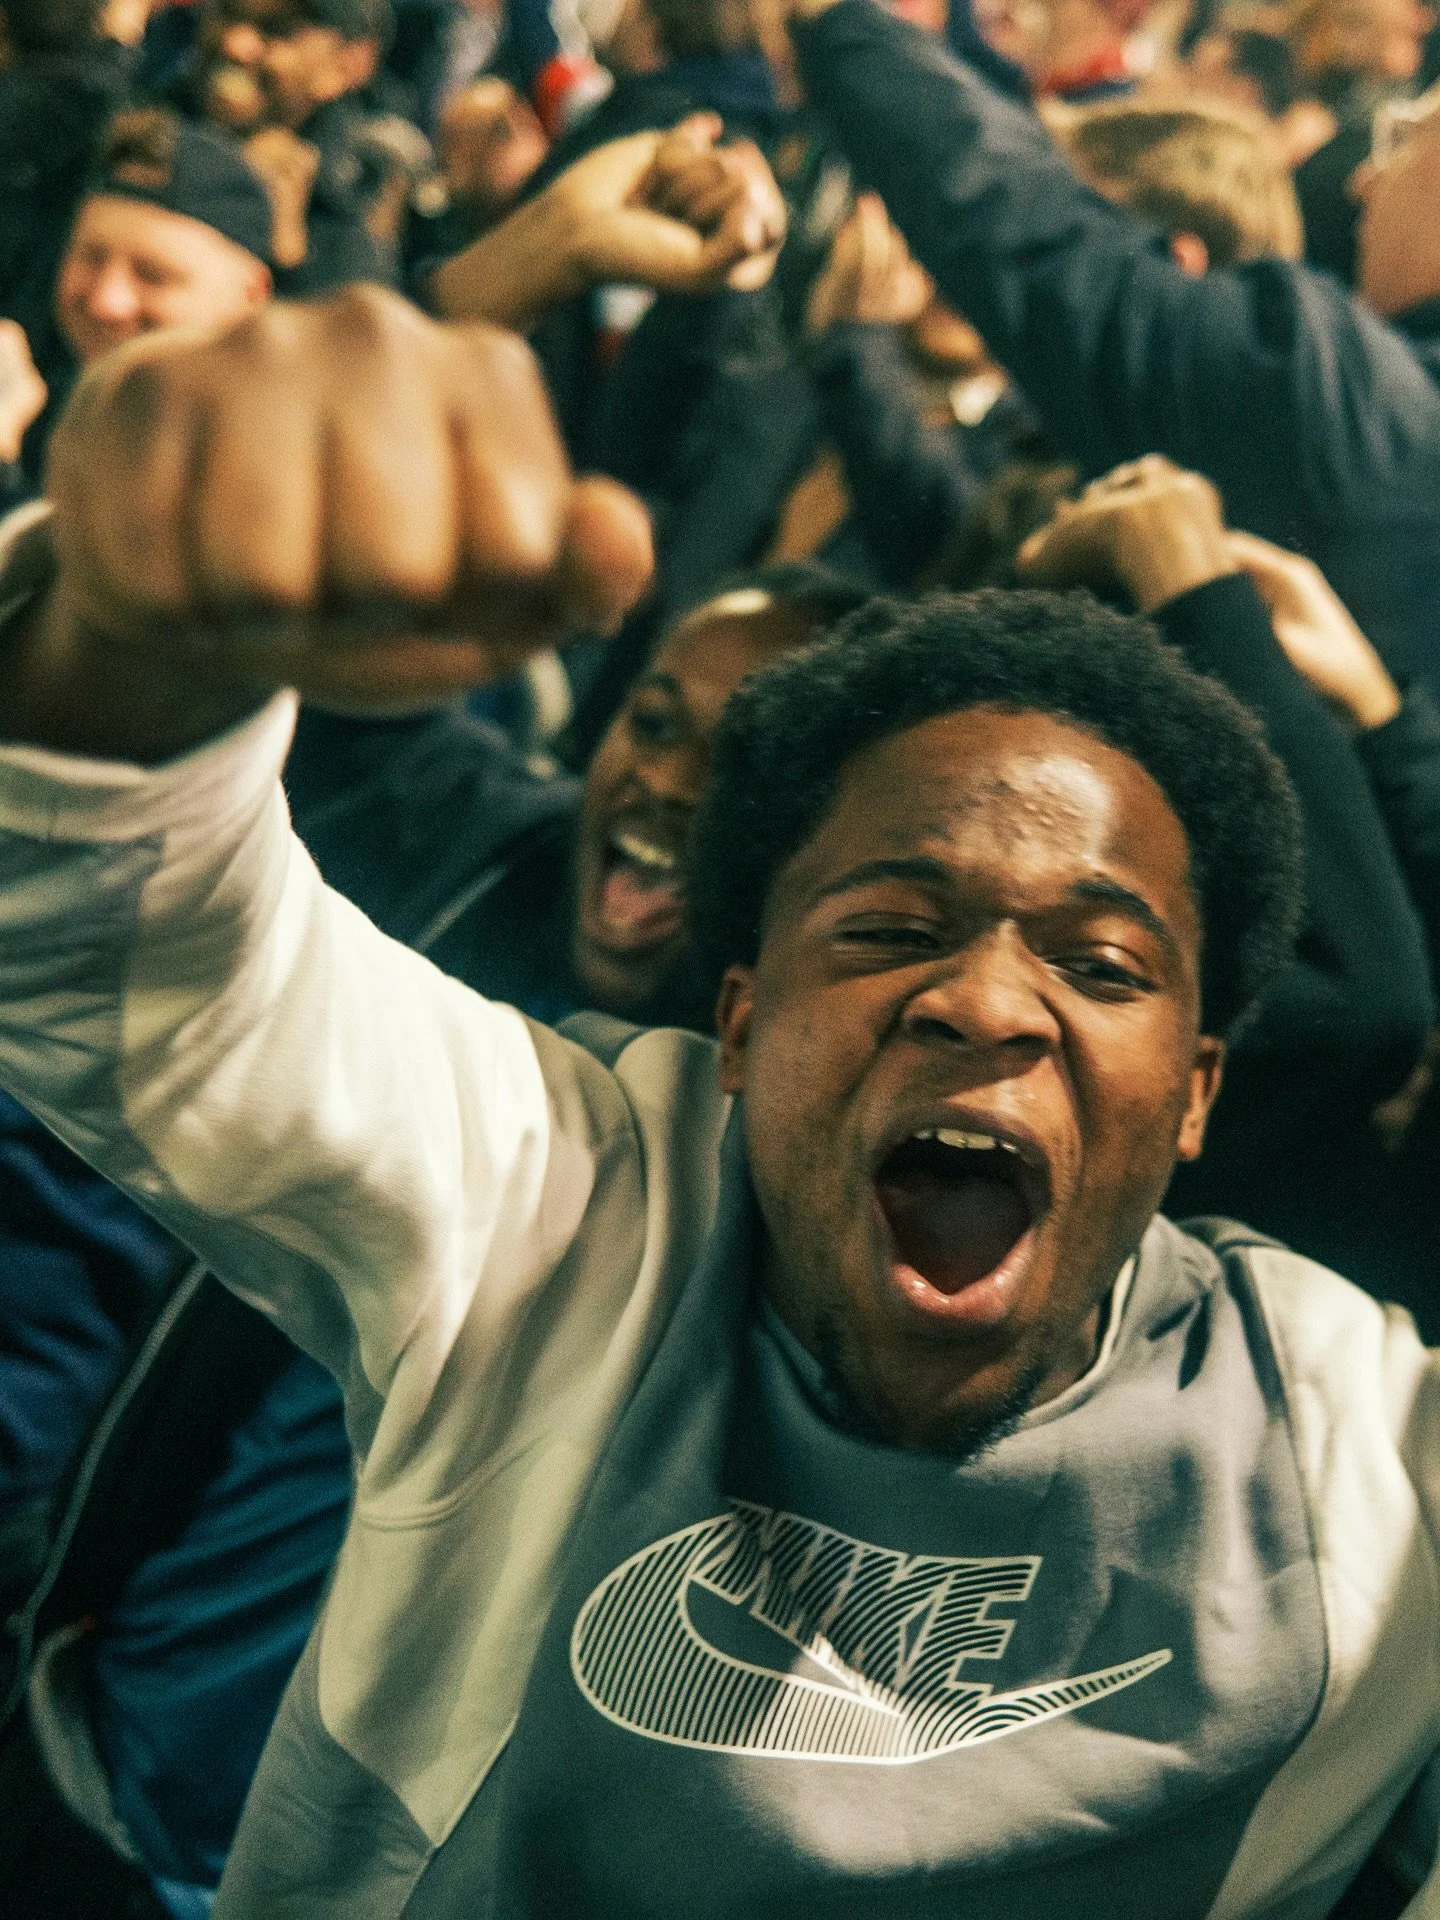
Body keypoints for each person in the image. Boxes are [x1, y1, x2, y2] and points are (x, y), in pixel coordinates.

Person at [2, 290, 1440, 1913]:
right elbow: (129, 962)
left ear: (1193, 1100)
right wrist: (124, 645)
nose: (979, 1001)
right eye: (891, 930)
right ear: (743, 1021)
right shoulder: (579, 1212)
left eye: (1101, 965)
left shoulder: (1364, 1468)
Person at [782, 0, 1440, 684]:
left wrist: (844, 20)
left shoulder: (1357, 413)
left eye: (1407, 140)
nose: (1365, 182)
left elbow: (1033, 238)